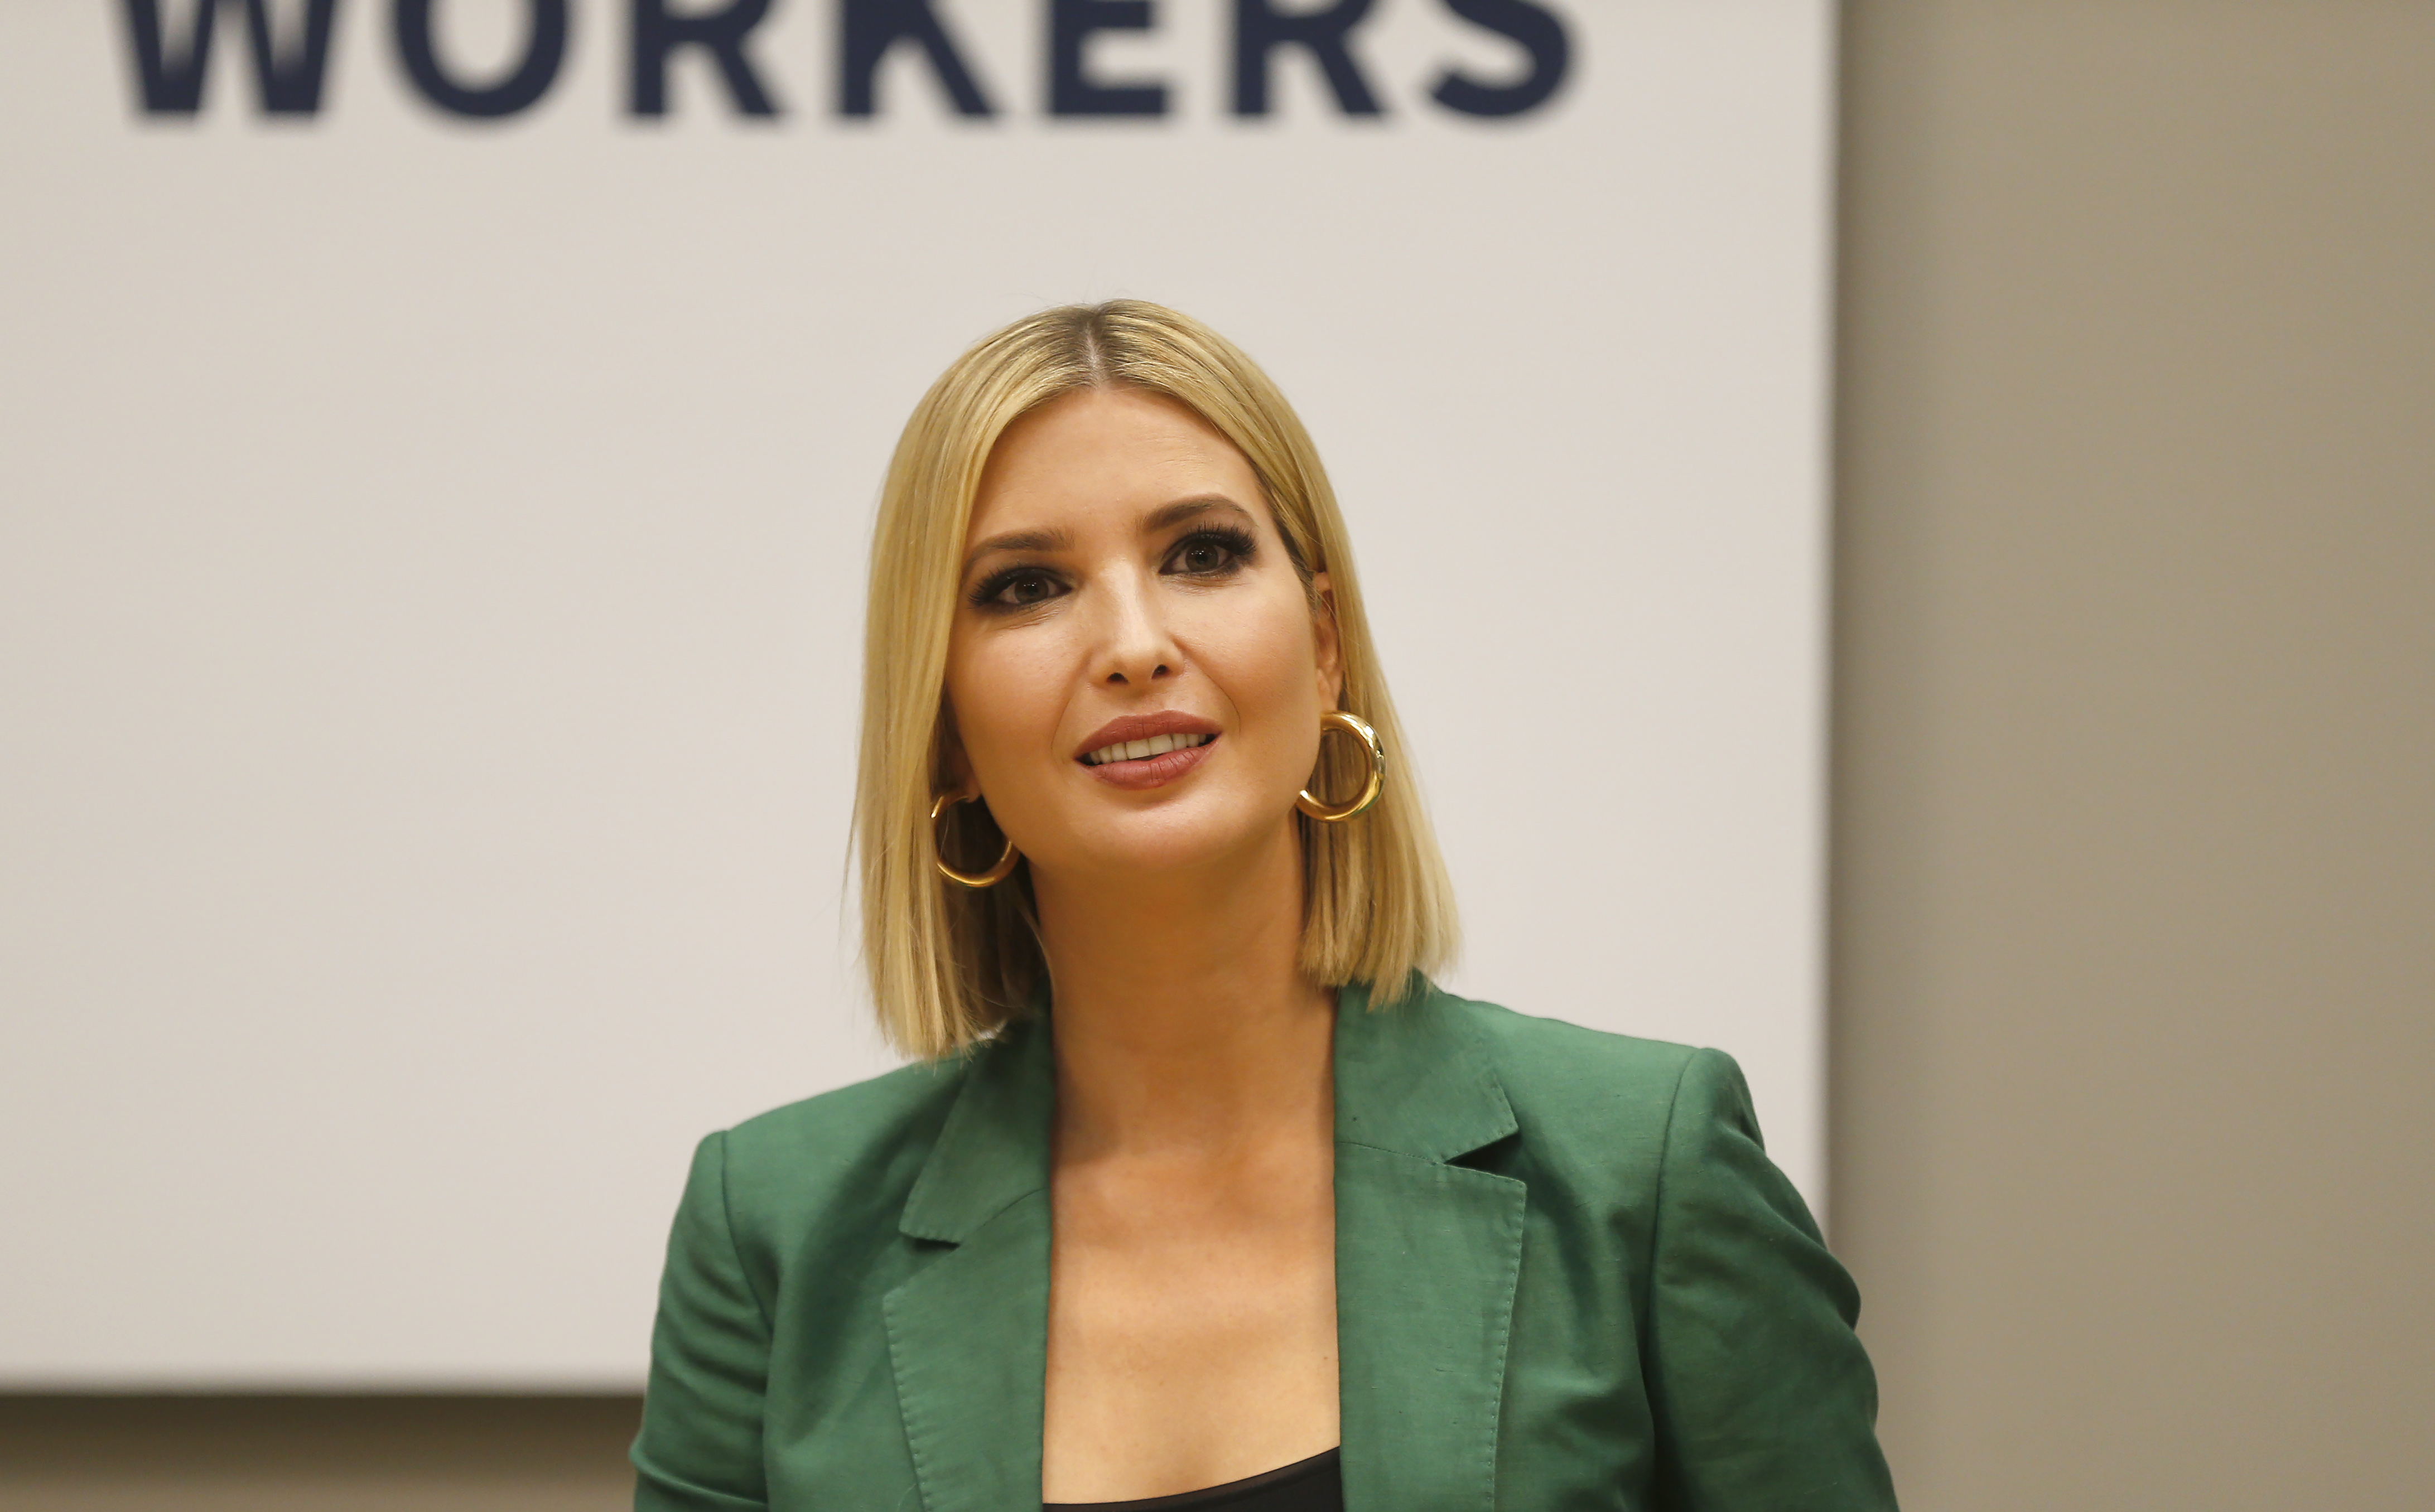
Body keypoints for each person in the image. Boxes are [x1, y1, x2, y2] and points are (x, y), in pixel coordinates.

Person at [630, 301, 1897, 1512]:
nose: (1132, 644)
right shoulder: (772, 1231)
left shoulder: (1646, 1168)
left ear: (1324, 643)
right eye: (1025, 586)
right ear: (946, 726)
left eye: (1202, 555)